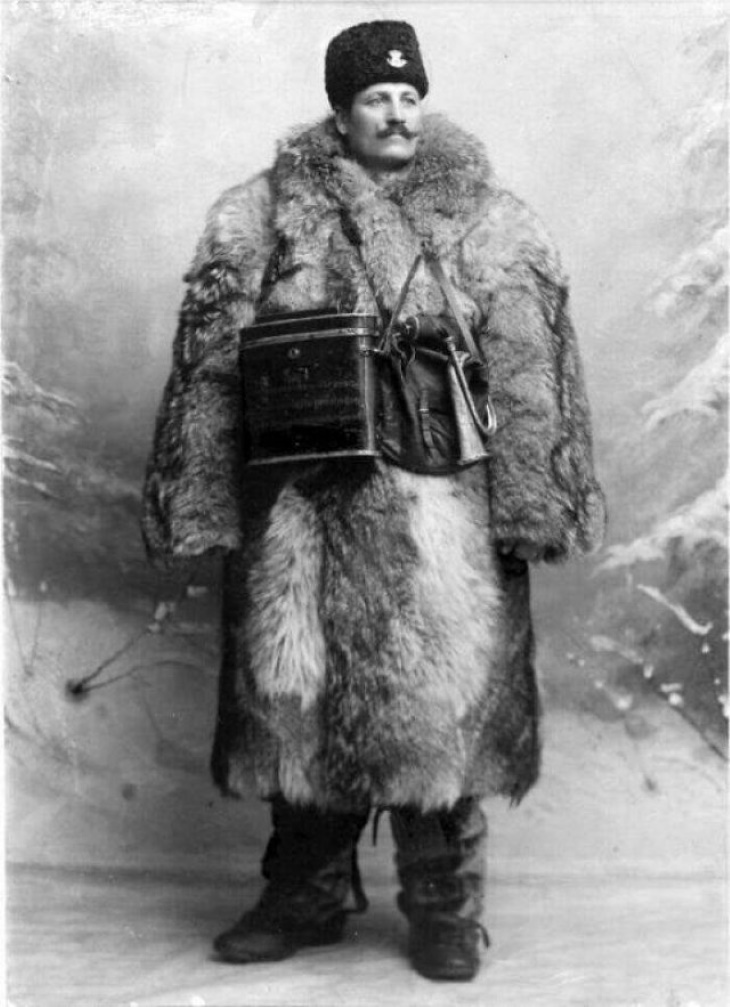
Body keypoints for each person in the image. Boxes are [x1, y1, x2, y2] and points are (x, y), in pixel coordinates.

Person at [142, 20, 606, 982]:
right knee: (297, 703)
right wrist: (201, 498)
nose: (395, 112)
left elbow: (529, 372)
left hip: (444, 516)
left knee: (440, 709)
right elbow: (210, 373)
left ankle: (444, 908)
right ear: (341, 110)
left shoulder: (489, 221)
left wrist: (533, 500)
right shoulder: (262, 217)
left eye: (408, 96)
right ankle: (304, 893)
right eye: (373, 99)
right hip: (301, 512)